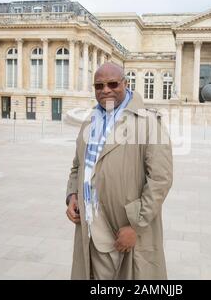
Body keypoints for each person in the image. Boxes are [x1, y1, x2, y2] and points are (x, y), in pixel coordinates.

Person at [65, 62, 173, 280]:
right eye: (99, 86)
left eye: (113, 84)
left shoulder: (148, 122)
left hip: (123, 227)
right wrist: (72, 195)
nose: (105, 90)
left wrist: (136, 226)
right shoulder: (89, 121)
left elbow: (160, 180)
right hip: (89, 224)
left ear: (125, 83)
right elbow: (78, 165)